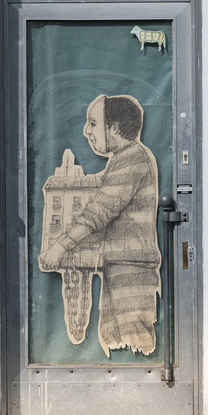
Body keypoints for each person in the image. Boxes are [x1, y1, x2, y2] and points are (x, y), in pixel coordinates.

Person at [39, 93, 162, 355]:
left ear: (114, 129)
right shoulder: (127, 158)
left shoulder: (131, 159)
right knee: (120, 340)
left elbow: (99, 210)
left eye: (93, 123)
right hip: (123, 267)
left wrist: (59, 246)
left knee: (132, 343)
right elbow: (101, 185)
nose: (86, 131)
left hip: (130, 272)